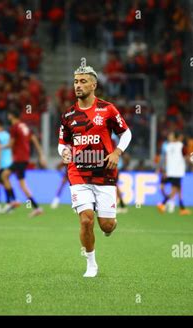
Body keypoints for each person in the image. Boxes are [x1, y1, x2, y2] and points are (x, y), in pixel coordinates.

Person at [58, 65, 132, 277]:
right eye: (75, 82)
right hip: (78, 173)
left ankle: (110, 224)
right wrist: (64, 152)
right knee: (86, 219)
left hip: (104, 174)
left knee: (106, 225)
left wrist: (117, 152)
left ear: (94, 84)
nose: (78, 85)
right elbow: (62, 143)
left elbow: (126, 133)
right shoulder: (69, 115)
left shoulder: (107, 109)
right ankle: (91, 263)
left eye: (82, 81)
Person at [2, 110, 46, 217]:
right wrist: (41, 155)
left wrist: (1, 147)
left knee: (5, 176)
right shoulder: (24, 126)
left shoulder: (15, 127)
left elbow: (11, 144)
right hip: (24, 158)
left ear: (11, 116)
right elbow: (34, 140)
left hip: (19, 158)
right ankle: (36, 207)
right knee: (21, 184)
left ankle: (14, 200)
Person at [157, 131, 192, 215]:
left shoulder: (168, 146)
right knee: (174, 191)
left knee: (179, 189)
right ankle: (162, 204)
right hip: (178, 172)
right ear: (178, 137)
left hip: (170, 171)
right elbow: (187, 157)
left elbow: (165, 159)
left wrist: (164, 170)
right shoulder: (181, 146)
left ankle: (182, 208)